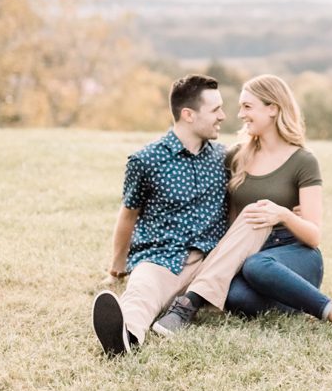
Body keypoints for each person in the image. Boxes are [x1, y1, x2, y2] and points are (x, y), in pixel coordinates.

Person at [151, 73, 332, 341]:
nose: (240, 114)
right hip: (248, 250)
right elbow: (231, 221)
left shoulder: (303, 161)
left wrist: (284, 214)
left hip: (294, 253)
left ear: (273, 109)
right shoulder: (236, 156)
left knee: (257, 265)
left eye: (247, 106)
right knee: (235, 298)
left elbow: (314, 235)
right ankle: (305, 303)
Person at [92, 74, 269, 355]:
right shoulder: (146, 160)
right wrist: (117, 267)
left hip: (215, 260)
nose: (223, 116)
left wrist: (288, 207)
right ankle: (124, 337)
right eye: (215, 110)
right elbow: (128, 214)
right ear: (188, 114)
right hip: (163, 258)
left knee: (257, 216)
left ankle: (188, 303)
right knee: (142, 292)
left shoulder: (225, 157)